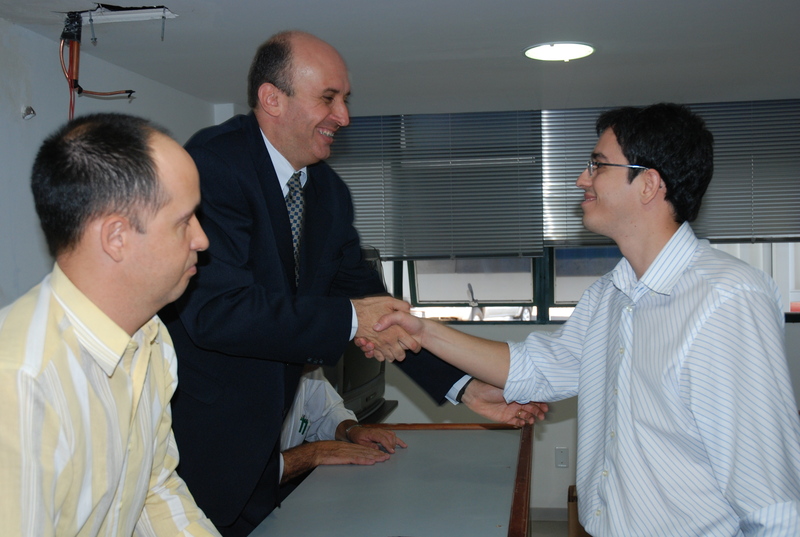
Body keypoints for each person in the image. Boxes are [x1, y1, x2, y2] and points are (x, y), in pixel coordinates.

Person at [161, 30, 545, 536]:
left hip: (263, 456)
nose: (343, 116)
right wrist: (350, 318)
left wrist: (465, 387)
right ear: (272, 99)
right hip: (200, 452)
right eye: (328, 98)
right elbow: (218, 313)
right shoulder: (213, 166)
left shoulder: (328, 193)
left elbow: (373, 306)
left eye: (345, 99)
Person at [368, 103, 800, 536]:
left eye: (598, 165)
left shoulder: (727, 299)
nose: (581, 179)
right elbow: (535, 370)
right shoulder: (609, 294)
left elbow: (772, 500)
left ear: (648, 184)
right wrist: (423, 330)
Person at [0, 113, 221, 536]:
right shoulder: (21, 384)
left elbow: (153, 489)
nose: (201, 239)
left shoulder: (152, 338)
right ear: (116, 237)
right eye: (184, 221)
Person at [278, 366, 406, 487]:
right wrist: (315, 453)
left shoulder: (308, 366)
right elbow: (266, 469)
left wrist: (352, 430)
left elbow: (327, 412)